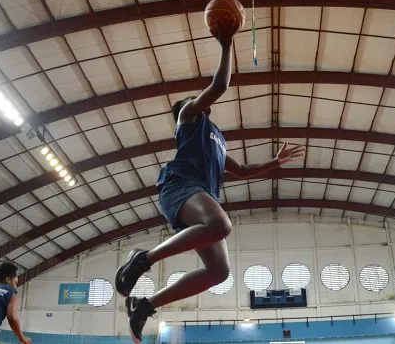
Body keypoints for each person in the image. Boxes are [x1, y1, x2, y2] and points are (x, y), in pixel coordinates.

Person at [115, 19, 305, 342]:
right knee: (222, 224)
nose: (205, 102)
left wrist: (276, 161)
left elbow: (242, 170)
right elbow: (219, 86)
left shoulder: (216, 139)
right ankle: (142, 259)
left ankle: (145, 306)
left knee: (219, 272)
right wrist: (226, 43)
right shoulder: (188, 116)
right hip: (179, 186)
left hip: (198, 194)